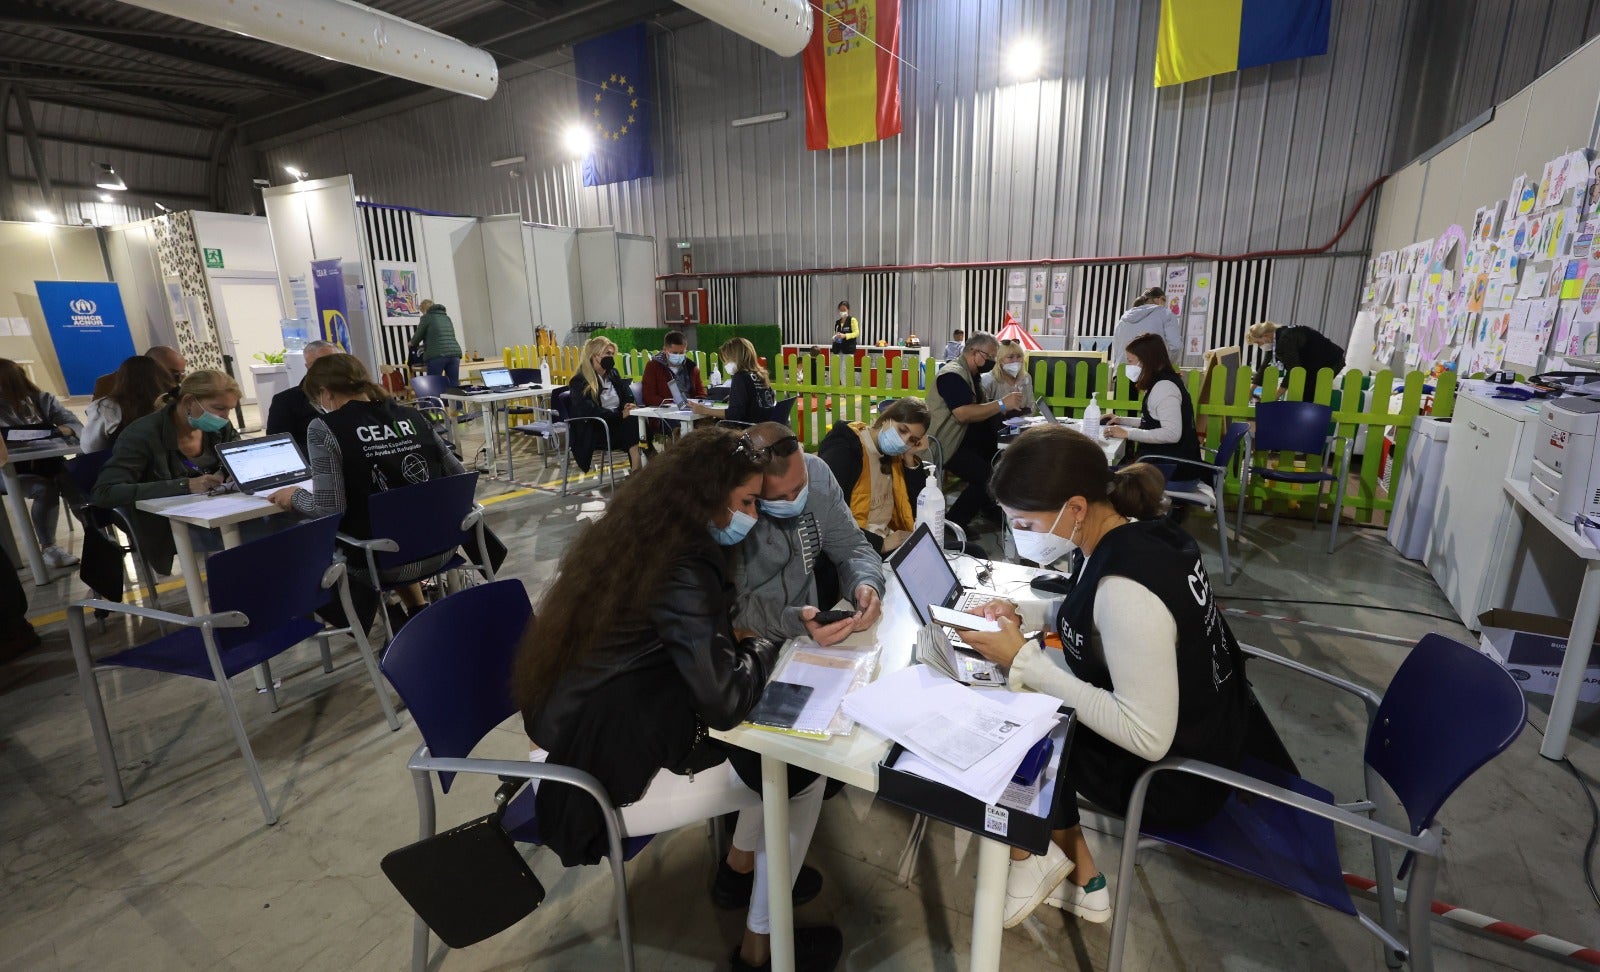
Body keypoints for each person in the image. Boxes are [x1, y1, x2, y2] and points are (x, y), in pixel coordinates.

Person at [514, 426, 842, 972]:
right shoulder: (684, 565)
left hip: (585, 726)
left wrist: (736, 641)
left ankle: (740, 871)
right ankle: (763, 949)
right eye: (747, 503)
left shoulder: (643, 532)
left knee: (781, 759)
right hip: (593, 771)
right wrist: (767, 643)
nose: (755, 517)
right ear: (707, 498)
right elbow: (724, 701)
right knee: (804, 767)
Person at [959, 425, 1252, 929]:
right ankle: (1081, 877)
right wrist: (1027, 612)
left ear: (1075, 509)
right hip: (1218, 727)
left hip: (1176, 778)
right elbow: (1092, 614)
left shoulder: (1125, 588)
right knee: (1033, 692)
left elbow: (1147, 736)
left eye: (1025, 522)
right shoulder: (1143, 531)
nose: (1018, 534)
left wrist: (1024, 662)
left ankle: (1032, 860)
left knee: (1010, 718)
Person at [268, 354, 467, 621]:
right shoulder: (411, 415)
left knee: (300, 544)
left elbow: (330, 508)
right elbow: (459, 476)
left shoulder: (325, 428)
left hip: (384, 561)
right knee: (388, 523)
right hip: (444, 547)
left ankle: (390, 613)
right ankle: (414, 612)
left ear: (324, 394)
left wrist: (296, 495)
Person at [732, 421, 885, 647]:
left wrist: (866, 583)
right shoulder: (735, 512)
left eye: (800, 486)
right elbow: (734, 607)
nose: (794, 501)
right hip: (752, 646)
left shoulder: (818, 473)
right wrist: (795, 623)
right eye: (778, 498)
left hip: (809, 640)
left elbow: (853, 547)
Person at [90, 370, 241, 575]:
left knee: (285, 522)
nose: (225, 417)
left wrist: (233, 471)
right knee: (263, 535)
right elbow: (105, 493)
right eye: (219, 408)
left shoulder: (219, 428)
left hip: (220, 511)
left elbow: (236, 454)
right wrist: (185, 486)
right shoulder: (142, 435)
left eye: (229, 409)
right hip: (170, 525)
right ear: (189, 401)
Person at [927, 332, 1020, 530]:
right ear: (974, 352)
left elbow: (981, 408)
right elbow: (963, 413)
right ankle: (954, 524)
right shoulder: (952, 375)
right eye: (989, 357)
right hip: (946, 444)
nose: (992, 362)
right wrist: (1002, 404)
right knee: (988, 477)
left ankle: (988, 507)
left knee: (998, 457)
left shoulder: (972, 375)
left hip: (965, 440)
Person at [816, 399, 931, 555]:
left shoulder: (895, 456)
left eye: (912, 440)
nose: (904, 441)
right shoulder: (845, 449)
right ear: (886, 419)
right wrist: (882, 543)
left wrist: (909, 456)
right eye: (902, 430)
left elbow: (917, 509)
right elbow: (828, 518)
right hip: (860, 549)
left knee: (970, 550)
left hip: (892, 541)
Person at [0, 359, 83, 568]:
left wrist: (52, 432)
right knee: (44, 489)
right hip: (8, 471)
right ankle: (49, 547)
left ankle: (96, 535)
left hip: (49, 461)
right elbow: (8, 439)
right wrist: (54, 432)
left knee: (75, 481)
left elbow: (74, 425)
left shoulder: (42, 399)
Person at [1102, 333, 1201, 482]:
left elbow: (1172, 433)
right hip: (1168, 463)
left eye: (1130, 361)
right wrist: (1121, 421)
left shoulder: (1164, 388)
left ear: (1146, 360)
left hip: (1174, 470)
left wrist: (1127, 433)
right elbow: (1154, 421)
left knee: (1106, 476)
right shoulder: (1161, 382)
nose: (1128, 366)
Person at [568, 335, 643, 472]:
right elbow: (589, 410)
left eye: (612, 354)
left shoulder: (613, 373)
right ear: (594, 356)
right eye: (607, 353)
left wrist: (628, 405)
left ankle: (639, 469)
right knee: (633, 424)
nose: (611, 357)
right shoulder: (579, 381)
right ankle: (638, 468)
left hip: (619, 424)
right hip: (597, 429)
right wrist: (620, 415)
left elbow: (626, 395)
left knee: (638, 420)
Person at [83, 356, 174, 454]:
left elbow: (91, 447)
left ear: (121, 379)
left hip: (124, 464)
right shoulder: (174, 402)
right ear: (163, 376)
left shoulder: (107, 406)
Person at [265, 340, 340, 451]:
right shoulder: (286, 401)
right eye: (319, 364)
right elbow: (278, 446)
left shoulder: (356, 394)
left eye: (333, 362)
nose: (327, 368)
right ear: (307, 366)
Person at [698, 337, 776, 425]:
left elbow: (734, 414)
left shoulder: (740, 377)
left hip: (747, 430)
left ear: (736, 358)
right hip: (765, 427)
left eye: (727, 360)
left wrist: (705, 410)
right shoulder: (761, 375)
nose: (725, 364)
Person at [1246, 321, 1347, 386]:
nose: (1259, 346)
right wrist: (1252, 390)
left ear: (1265, 335)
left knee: (1311, 392)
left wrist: (1275, 396)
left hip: (1331, 362)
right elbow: (1264, 367)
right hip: (1318, 362)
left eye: (1258, 342)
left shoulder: (1286, 339)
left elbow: (1294, 370)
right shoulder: (1277, 338)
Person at [1110, 288, 1182, 365]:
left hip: (1122, 371)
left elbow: (1116, 350)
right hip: (1151, 371)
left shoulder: (1124, 319)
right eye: (1164, 300)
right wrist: (1167, 366)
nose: (1165, 304)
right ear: (1159, 299)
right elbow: (1176, 346)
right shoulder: (1166, 314)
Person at [641, 330, 707, 407]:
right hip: (664, 413)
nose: (678, 356)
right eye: (674, 353)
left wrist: (697, 403)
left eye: (682, 353)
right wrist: (672, 404)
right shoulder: (653, 366)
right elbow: (648, 397)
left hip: (692, 411)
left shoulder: (692, 367)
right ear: (665, 350)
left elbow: (702, 393)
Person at [93, 345, 185, 399]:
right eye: (173, 373)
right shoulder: (110, 384)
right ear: (152, 366)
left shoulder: (174, 391)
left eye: (182, 373)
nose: (179, 379)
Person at [408, 299, 463, 389]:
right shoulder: (446, 317)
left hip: (437, 355)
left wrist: (411, 343)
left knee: (434, 384)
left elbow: (417, 337)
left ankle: (436, 403)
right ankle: (457, 403)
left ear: (424, 310)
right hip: (454, 354)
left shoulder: (427, 317)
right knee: (454, 383)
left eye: (422, 311)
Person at [982, 339, 1035, 416]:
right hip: (997, 426)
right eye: (1010, 357)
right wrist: (1003, 407)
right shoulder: (988, 380)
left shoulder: (1026, 378)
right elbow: (983, 411)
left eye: (1019, 356)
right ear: (999, 360)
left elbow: (1031, 405)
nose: (1015, 361)